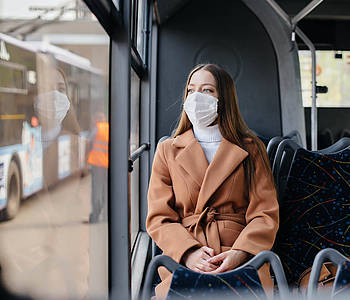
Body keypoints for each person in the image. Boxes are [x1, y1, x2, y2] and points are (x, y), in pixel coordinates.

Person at [146, 64, 279, 299]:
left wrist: (241, 252)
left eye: (207, 91)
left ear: (224, 99)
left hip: (240, 252)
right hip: (187, 253)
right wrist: (189, 253)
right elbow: (159, 218)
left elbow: (265, 214)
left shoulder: (251, 148)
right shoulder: (167, 150)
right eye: (191, 90)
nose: (197, 98)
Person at [87, 112, 109, 223]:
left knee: (96, 190)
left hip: (97, 164)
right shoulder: (110, 129)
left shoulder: (97, 129)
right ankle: (106, 215)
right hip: (107, 164)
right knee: (106, 190)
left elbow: (89, 142)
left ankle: (95, 216)